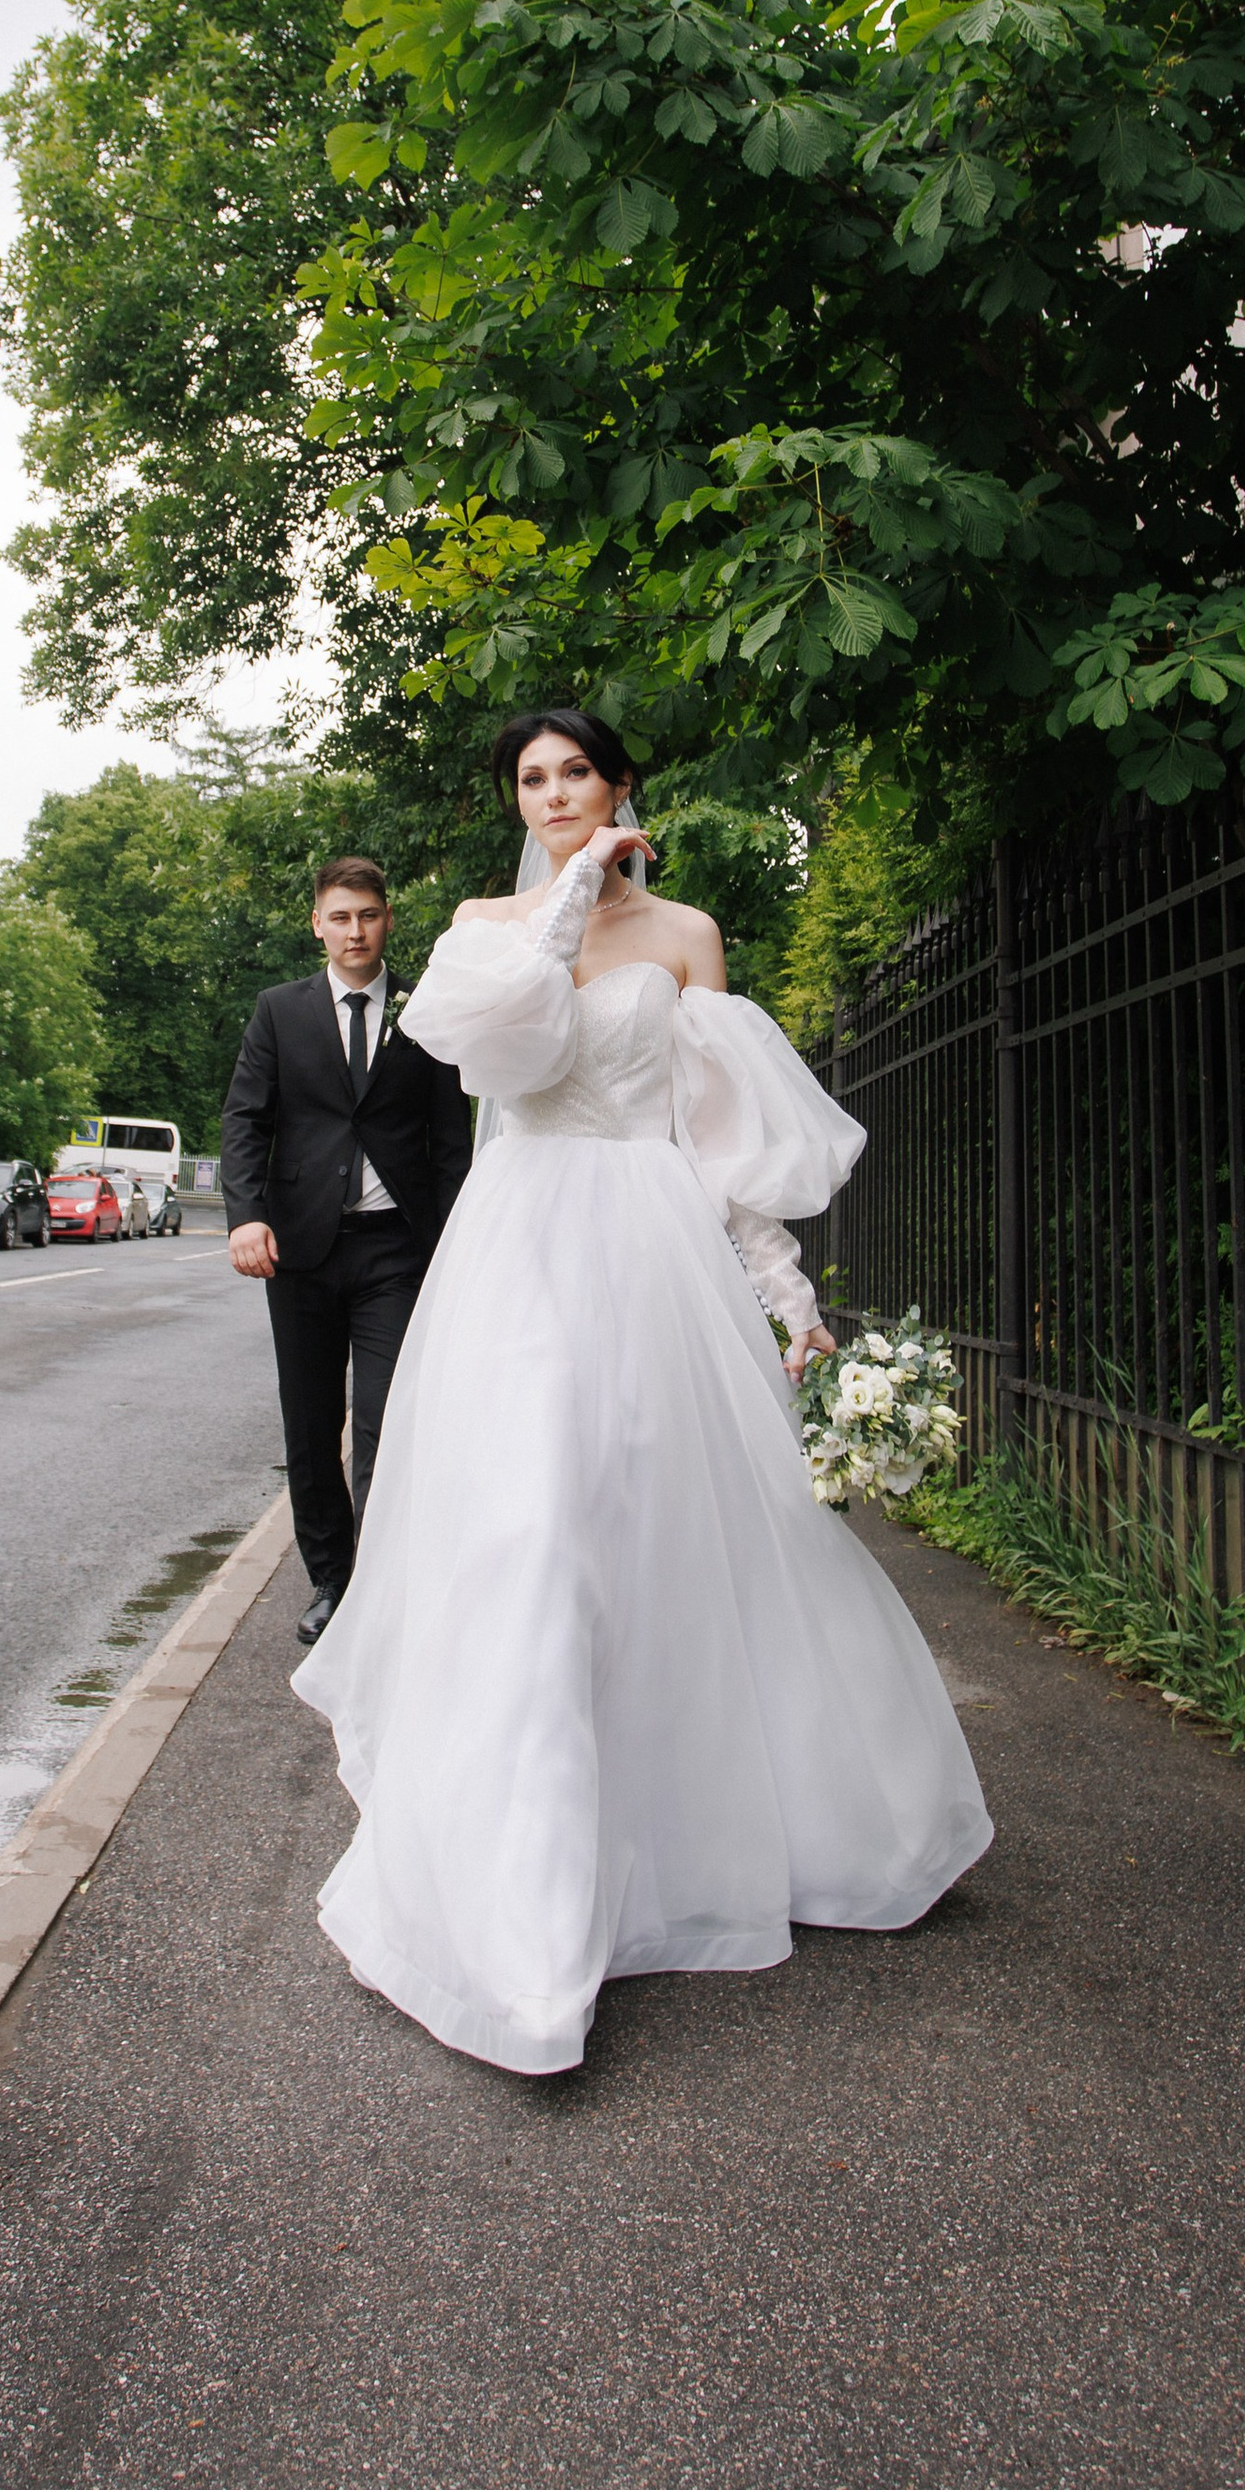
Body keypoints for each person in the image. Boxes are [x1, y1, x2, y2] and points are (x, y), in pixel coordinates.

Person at [294, 710, 991, 2076]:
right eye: (532, 779)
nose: (553, 794)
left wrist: (794, 1310)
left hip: (655, 1251)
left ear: (622, 787)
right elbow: (500, 1057)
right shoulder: (486, 925)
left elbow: (715, 1139)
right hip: (520, 1257)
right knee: (535, 1542)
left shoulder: (688, 936)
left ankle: (708, 1834)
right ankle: (526, 1916)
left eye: (575, 775)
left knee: (680, 1546)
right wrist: (563, 899)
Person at [222, 854, 475, 1648]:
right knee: (310, 1424)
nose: (354, 930)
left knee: (384, 1421)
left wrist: (452, 1246)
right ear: (317, 923)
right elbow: (245, 1120)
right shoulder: (279, 1011)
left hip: (395, 1252)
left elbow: (448, 1142)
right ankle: (332, 1579)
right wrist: (245, 1214)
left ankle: (382, 1585)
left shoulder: (424, 1012)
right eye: (340, 916)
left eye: (367, 914)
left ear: (387, 918)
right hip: (298, 1251)